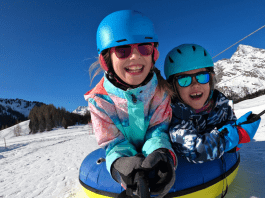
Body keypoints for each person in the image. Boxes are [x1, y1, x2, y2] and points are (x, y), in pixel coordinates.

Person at [84, 10, 177, 197]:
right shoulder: (100, 101)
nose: (135, 57)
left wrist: (161, 152)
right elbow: (113, 141)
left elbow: (158, 128)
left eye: (144, 48)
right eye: (123, 50)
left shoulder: (161, 92)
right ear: (106, 60)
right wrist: (121, 164)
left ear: (154, 54)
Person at [164, 44, 261, 163]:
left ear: (211, 79)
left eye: (202, 77)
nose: (195, 85)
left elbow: (229, 123)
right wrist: (235, 136)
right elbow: (194, 150)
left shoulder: (221, 106)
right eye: (184, 80)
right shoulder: (175, 116)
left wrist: (238, 126)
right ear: (173, 87)